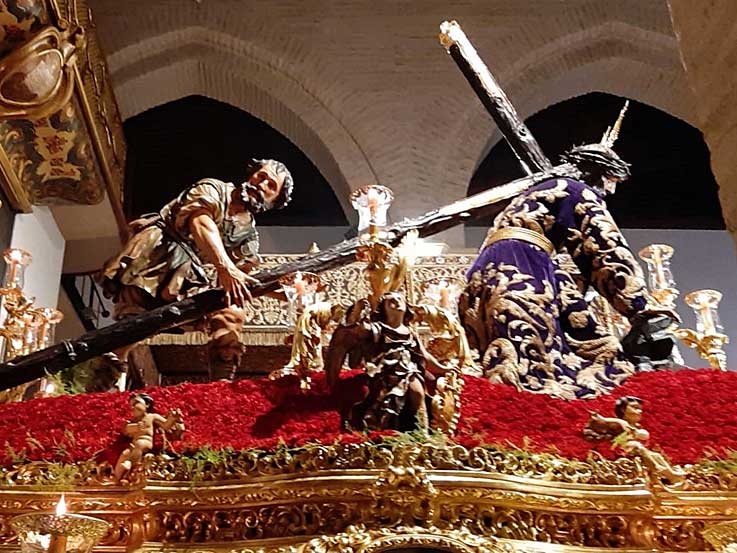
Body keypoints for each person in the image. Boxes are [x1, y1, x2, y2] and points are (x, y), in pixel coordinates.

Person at [461, 105, 674, 399]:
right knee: (533, 361)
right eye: (611, 180)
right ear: (598, 173)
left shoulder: (534, 194)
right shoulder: (577, 191)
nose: (610, 192)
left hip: (481, 276)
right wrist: (641, 308)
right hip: (524, 268)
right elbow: (605, 250)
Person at [102, 159, 294, 382]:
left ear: (274, 201)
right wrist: (225, 268)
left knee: (230, 312)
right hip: (157, 256)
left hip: (188, 274)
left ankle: (220, 388)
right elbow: (201, 222)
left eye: (271, 185)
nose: (262, 184)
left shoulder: (248, 235)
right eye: (261, 176)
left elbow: (244, 278)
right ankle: (103, 373)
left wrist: (285, 292)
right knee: (134, 326)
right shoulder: (213, 188)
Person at [325, 292, 447, 431]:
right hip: (383, 373)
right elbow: (349, 330)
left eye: (400, 299)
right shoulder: (376, 329)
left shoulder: (410, 332)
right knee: (386, 403)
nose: (397, 302)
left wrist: (443, 368)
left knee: (418, 393)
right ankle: (385, 431)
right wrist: (356, 312)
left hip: (409, 370)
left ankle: (420, 430)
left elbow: (424, 355)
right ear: (383, 309)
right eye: (391, 301)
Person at [113, 393, 183, 481]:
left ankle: (130, 464)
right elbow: (126, 430)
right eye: (131, 405)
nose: (133, 407)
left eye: (136, 403)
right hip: (134, 444)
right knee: (125, 454)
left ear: (147, 404)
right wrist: (136, 427)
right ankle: (118, 477)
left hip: (146, 442)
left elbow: (166, 425)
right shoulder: (133, 421)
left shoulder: (152, 417)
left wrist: (172, 418)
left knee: (139, 444)